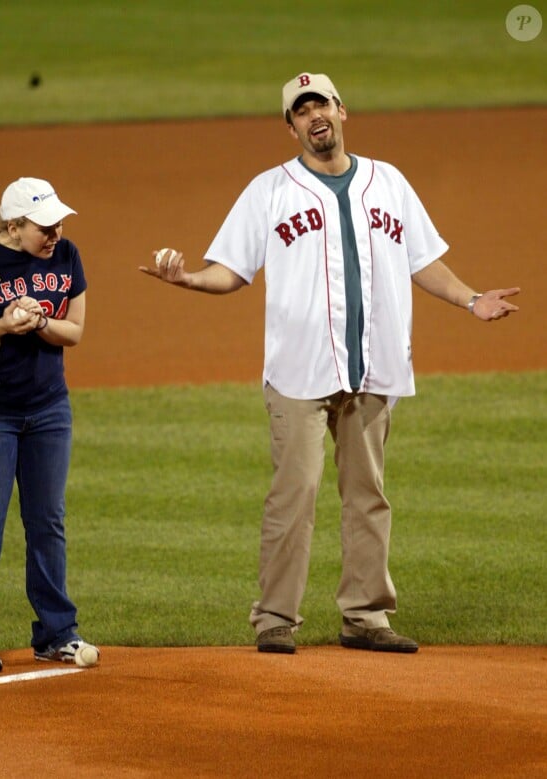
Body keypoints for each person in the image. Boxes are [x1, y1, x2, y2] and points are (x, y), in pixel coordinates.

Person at [139, 73, 520, 655]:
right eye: (301, 109)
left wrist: (471, 299)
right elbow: (232, 270)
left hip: (374, 369)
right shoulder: (270, 190)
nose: (314, 115)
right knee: (296, 492)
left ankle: (366, 617)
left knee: (368, 493)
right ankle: (274, 618)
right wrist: (188, 278)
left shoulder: (388, 181)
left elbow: (423, 260)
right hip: (298, 372)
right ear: (289, 126)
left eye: (322, 104)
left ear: (343, 112)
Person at [0, 177, 99, 675]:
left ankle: (55, 633)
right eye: (45, 226)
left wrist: (41, 322)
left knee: (47, 521)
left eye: (59, 223)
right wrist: (0, 326)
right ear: (13, 225)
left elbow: (76, 331)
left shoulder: (67, 255)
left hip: (49, 408)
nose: (56, 233)